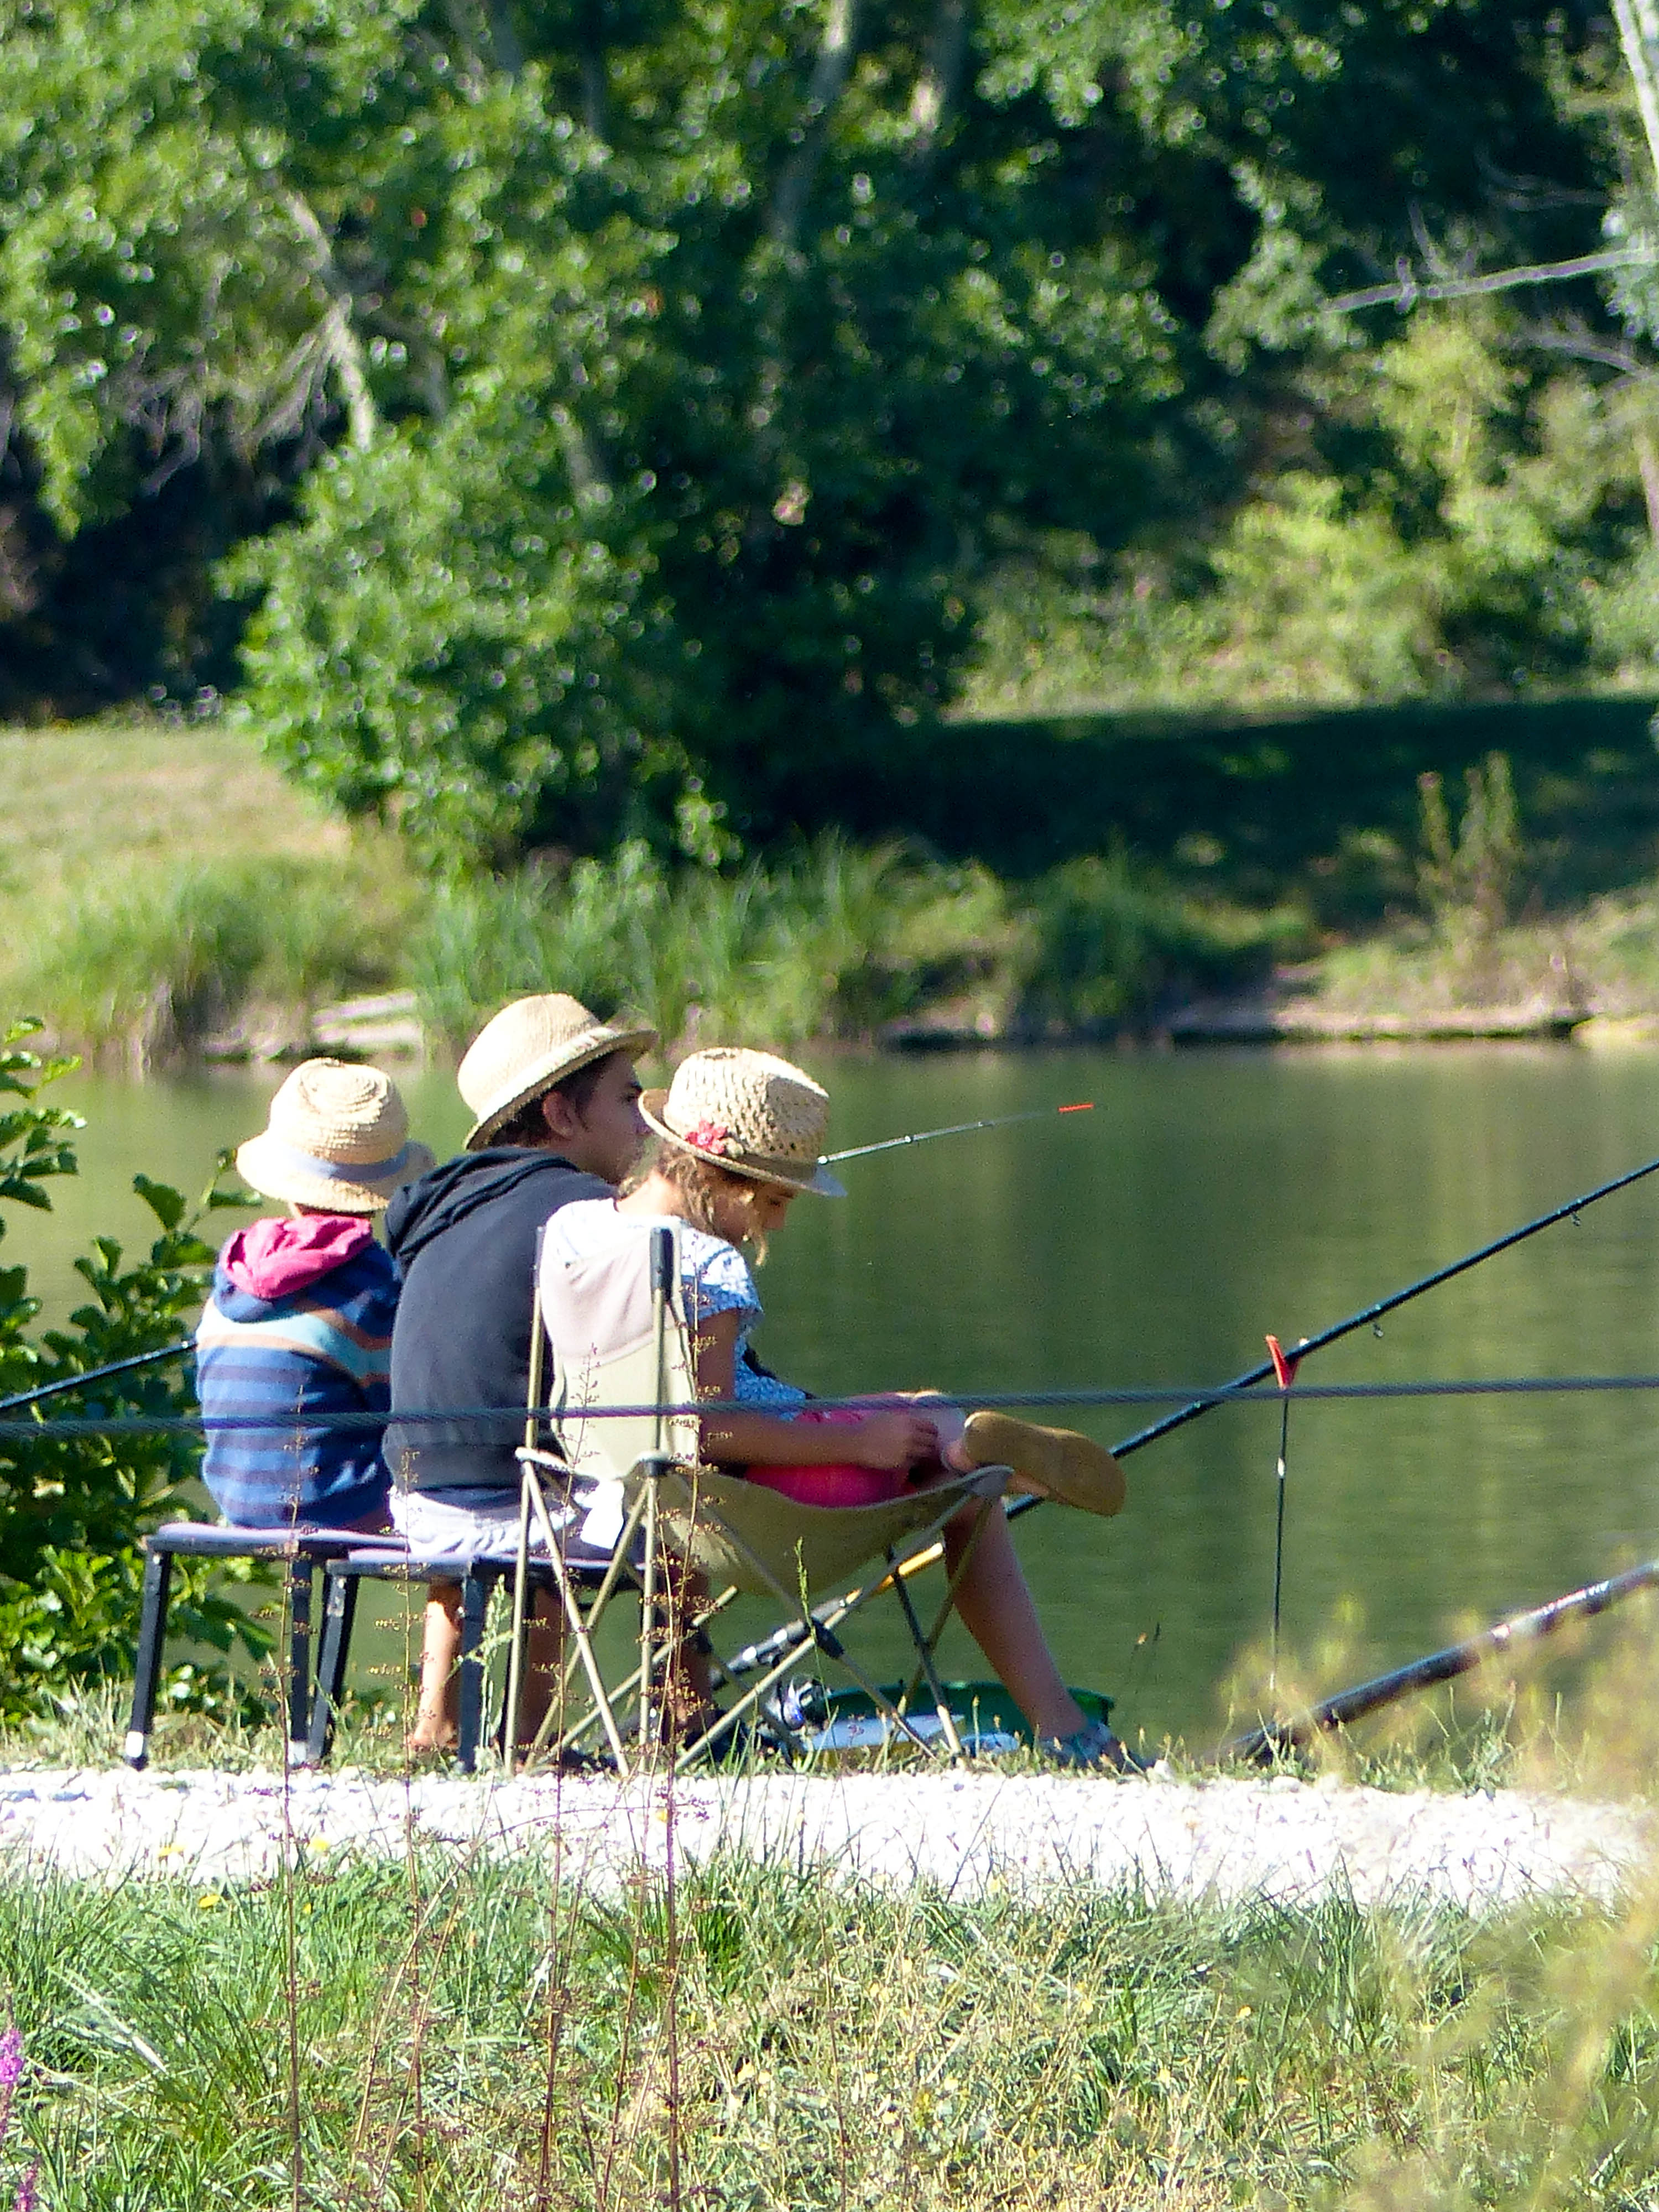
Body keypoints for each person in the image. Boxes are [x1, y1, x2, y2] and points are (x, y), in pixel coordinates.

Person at [543, 1046, 1136, 1769]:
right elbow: (709, 1428)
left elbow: (662, 1419)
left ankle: (973, 1451)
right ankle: (1059, 1719)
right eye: (774, 1201)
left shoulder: (573, 1231)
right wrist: (858, 1446)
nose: (778, 1225)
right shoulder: (706, 1265)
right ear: (716, 1178)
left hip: (603, 1493)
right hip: (735, 1504)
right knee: (964, 1489)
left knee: (920, 1416)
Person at [383, 992, 656, 1751]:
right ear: (561, 1115)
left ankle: (435, 1718)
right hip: (525, 1508)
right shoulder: (589, 1214)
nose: (643, 1124)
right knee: (648, 1483)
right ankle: (539, 1730)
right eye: (628, 1100)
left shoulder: (447, 1208)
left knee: (515, 1450)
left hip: (415, 1501)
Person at [196, 1059, 433, 1530]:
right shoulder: (373, 1285)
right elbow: (403, 1414)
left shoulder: (232, 1272)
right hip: (342, 1510)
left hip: (237, 1504)